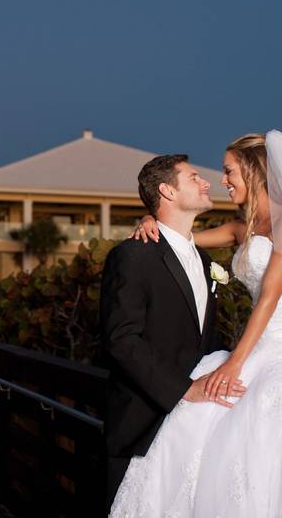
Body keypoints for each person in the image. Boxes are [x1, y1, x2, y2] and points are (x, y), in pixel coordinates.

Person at [109, 130, 282, 517]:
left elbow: (269, 300)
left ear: (255, 171)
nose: (222, 180)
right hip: (257, 348)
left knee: (249, 436)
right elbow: (181, 237)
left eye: (229, 171)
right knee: (192, 422)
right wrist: (148, 218)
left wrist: (235, 362)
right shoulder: (243, 228)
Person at [100, 154, 246, 513]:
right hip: (143, 424)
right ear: (167, 190)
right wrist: (184, 390)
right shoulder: (134, 255)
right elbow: (122, 340)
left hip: (197, 426)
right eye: (194, 177)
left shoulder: (207, 262)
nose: (206, 182)